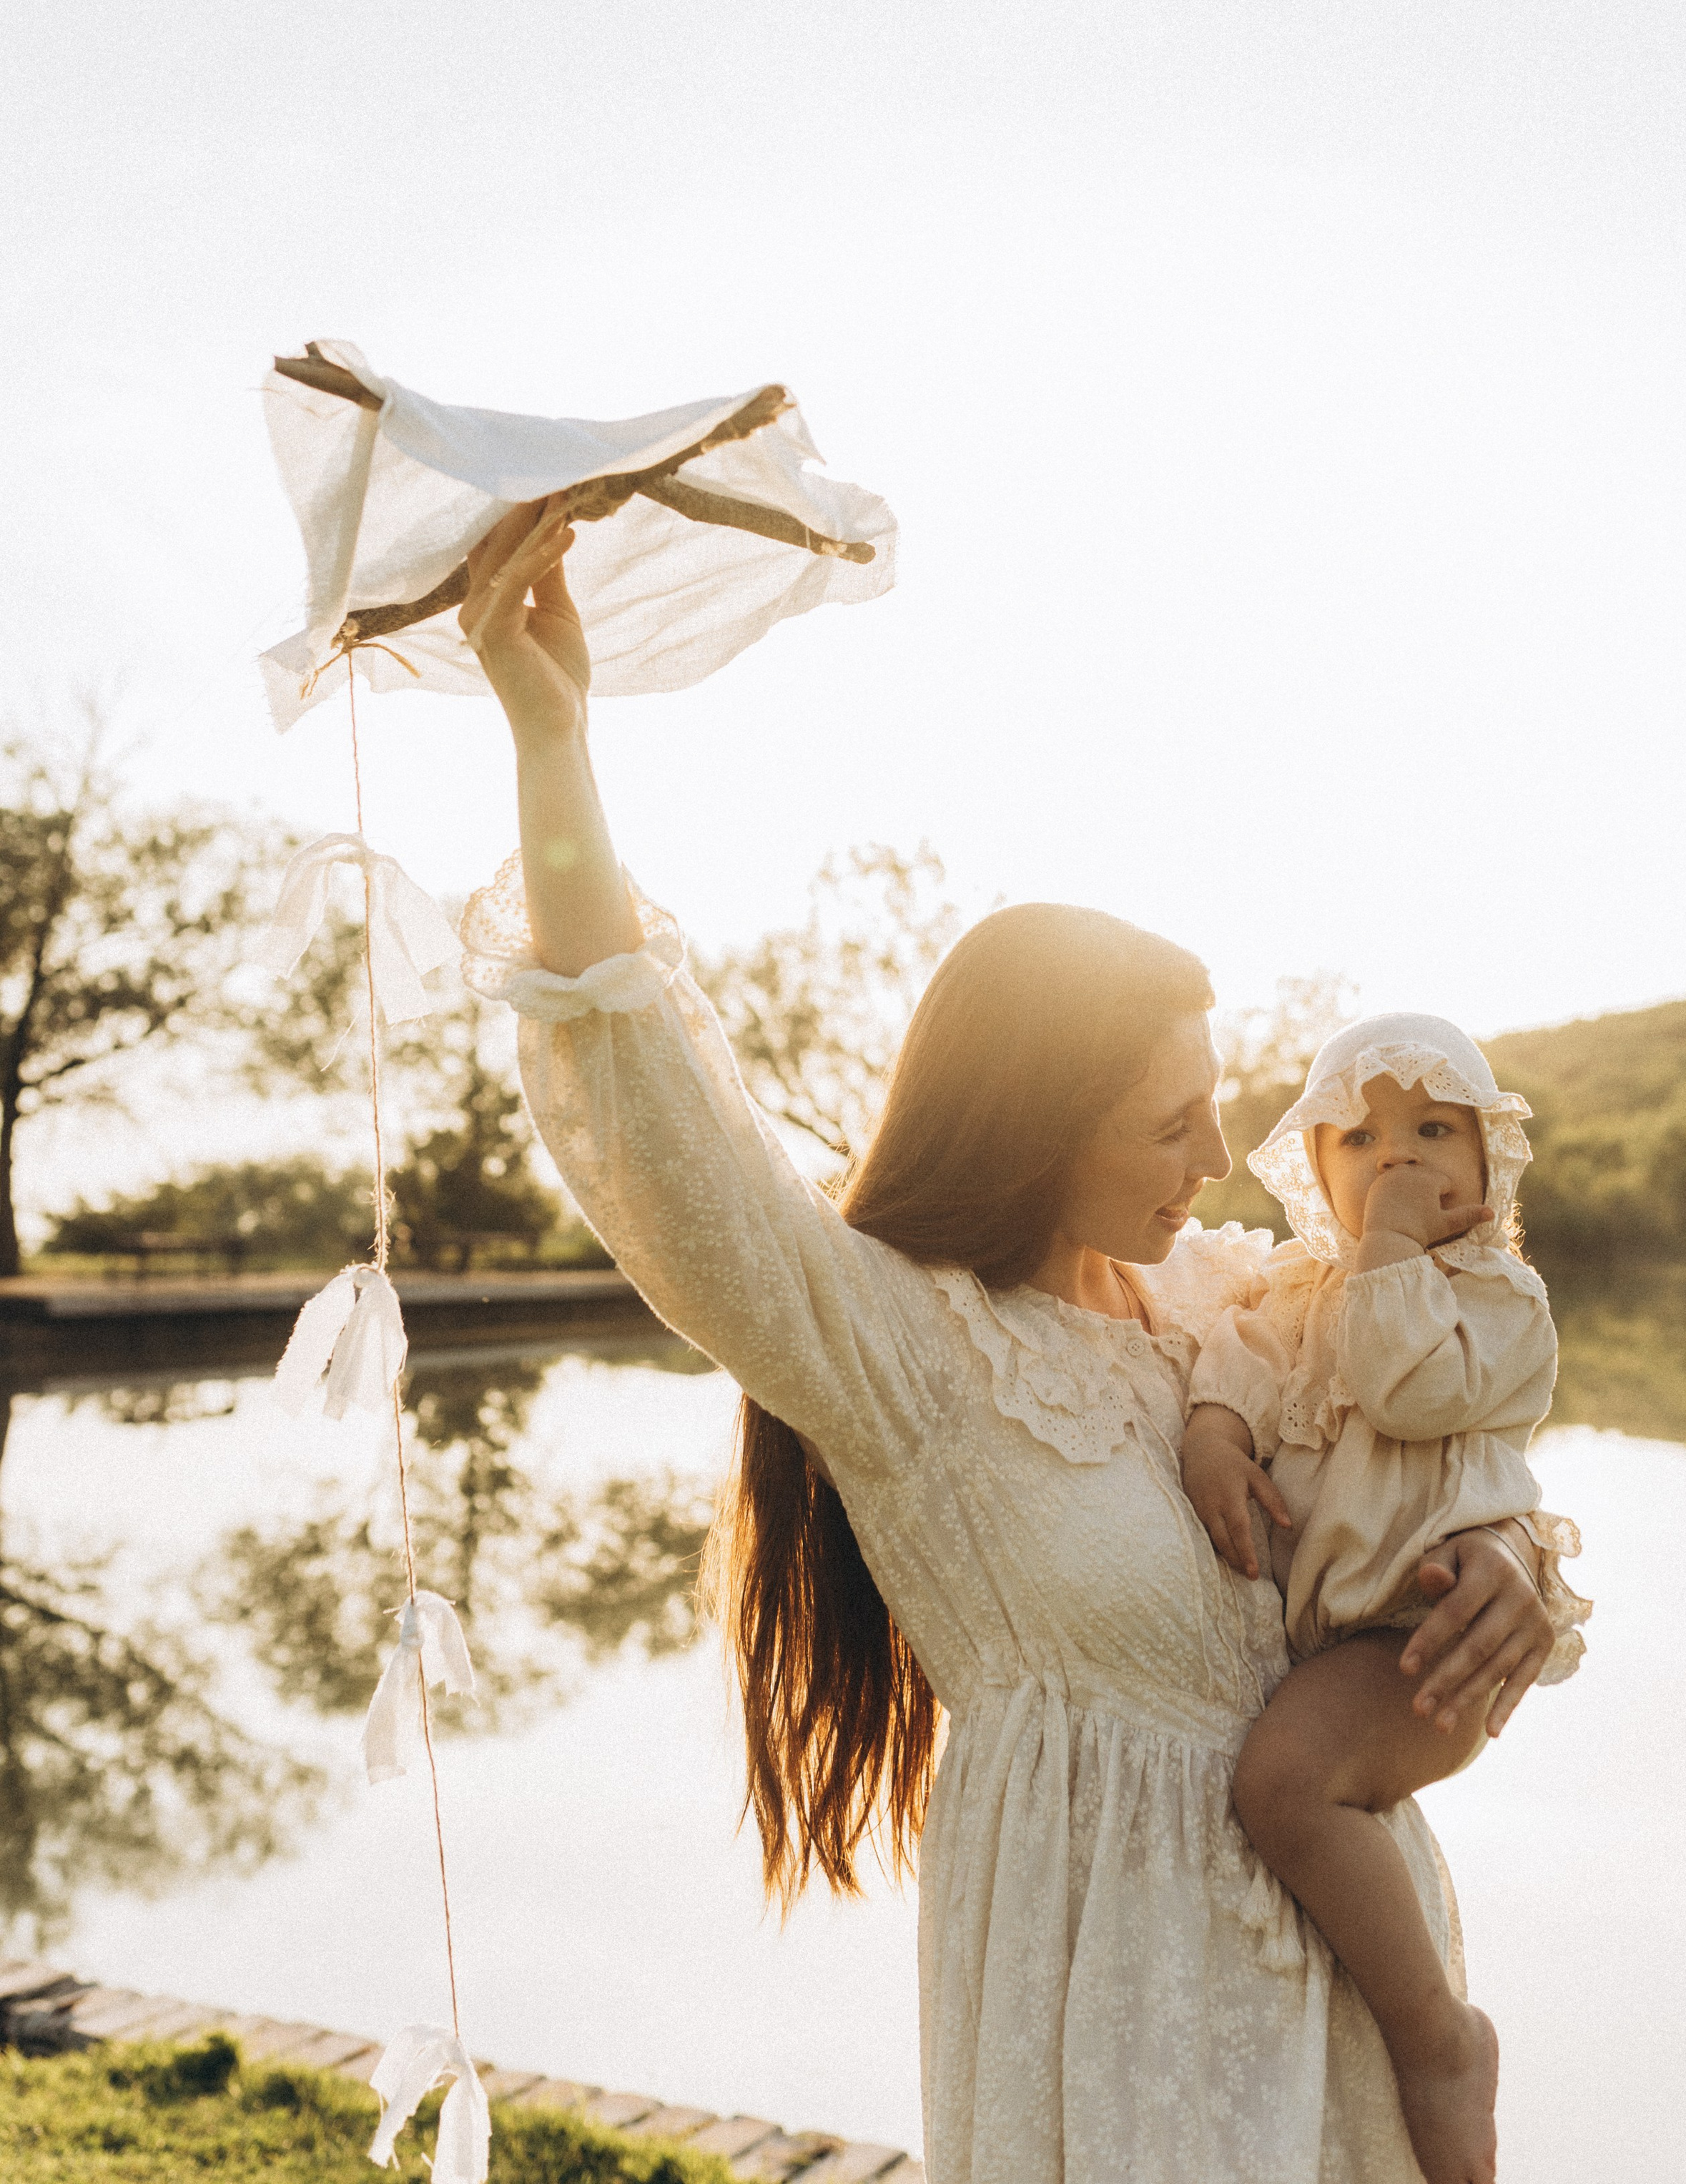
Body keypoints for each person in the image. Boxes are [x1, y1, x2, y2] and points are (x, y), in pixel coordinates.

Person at [454, 502, 1563, 2184]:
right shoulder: (905, 1347)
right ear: (1042, 1126)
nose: (1217, 1162)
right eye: (1168, 1123)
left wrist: (1503, 1567)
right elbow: (655, 1120)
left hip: (1347, 1991)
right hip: (1114, 2003)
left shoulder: (1221, 1302)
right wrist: (552, 739)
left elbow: (1433, 1449)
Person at [1181, 1018, 1589, 2184]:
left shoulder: (1501, 1299)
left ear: (1486, 1162)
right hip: (1343, 1641)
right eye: (1359, 1137)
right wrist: (1215, 1432)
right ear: (1316, 1166)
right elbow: (1241, 1365)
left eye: (1431, 1131)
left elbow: (1407, 1394)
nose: (1396, 1161)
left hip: (1432, 1636)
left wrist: (1396, 1254)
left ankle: (1437, 2041)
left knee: (1283, 1784)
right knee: (1290, 1781)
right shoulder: (1302, 1286)